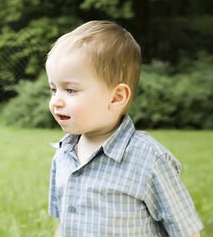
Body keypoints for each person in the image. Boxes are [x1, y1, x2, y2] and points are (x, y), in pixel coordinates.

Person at [46, 21, 203, 236]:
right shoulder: (63, 154)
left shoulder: (148, 159)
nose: (56, 101)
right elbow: (65, 223)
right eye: (54, 89)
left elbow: (185, 230)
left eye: (70, 90)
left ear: (116, 97)